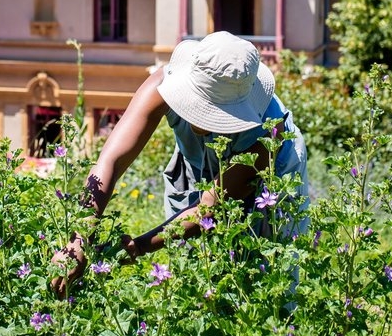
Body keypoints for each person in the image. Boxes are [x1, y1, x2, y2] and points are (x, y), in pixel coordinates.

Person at [50, 31, 308, 298]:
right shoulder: (163, 84)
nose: (205, 118)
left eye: (216, 111)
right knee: (191, 279)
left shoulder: (269, 129)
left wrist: (139, 246)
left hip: (271, 179)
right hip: (196, 162)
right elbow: (110, 162)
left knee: (266, 280)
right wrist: (79, 240)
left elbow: (210, 206)